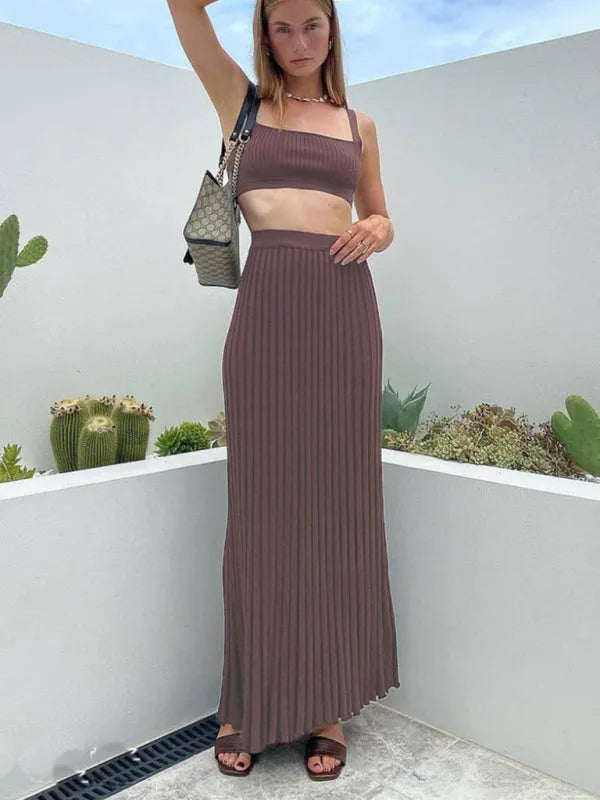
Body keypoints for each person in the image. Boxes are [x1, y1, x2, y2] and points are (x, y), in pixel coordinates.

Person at [166, 0, 400, 781]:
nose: (299, 40)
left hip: (344, 313)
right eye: (282, 25)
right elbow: (182, 10)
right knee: (260, 510)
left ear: (333, 30)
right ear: (263, 33)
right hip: (267, 312)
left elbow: (380, 213)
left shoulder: (359, 124)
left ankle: (326, 706)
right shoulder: (241, 102)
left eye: (313, 24)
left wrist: (379, 229)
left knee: (336, 507)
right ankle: (246, 699)